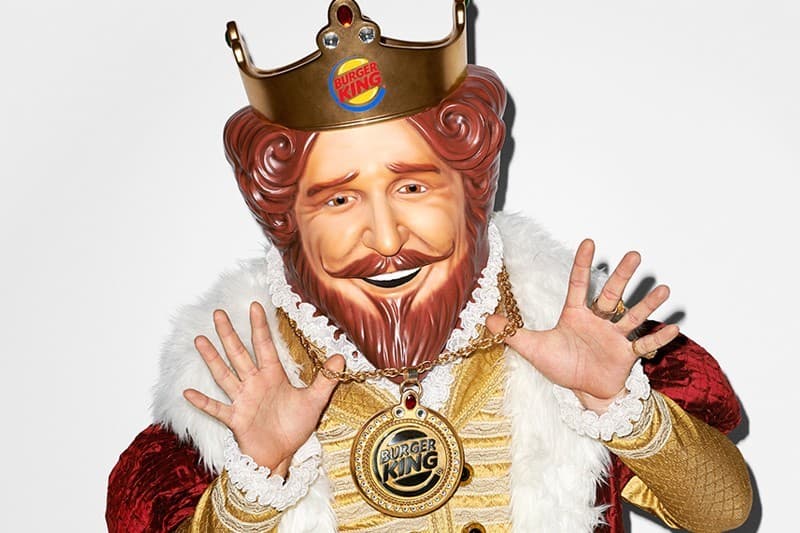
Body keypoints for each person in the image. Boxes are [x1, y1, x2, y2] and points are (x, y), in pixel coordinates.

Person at [106, 1, 752, 531]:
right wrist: (256, 480)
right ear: (287, 220)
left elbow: (722, 512)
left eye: (412, 187)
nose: (386, 236)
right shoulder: (236, 384)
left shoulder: (576, 333)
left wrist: (619, 406)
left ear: (473, 189)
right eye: (338, 199)